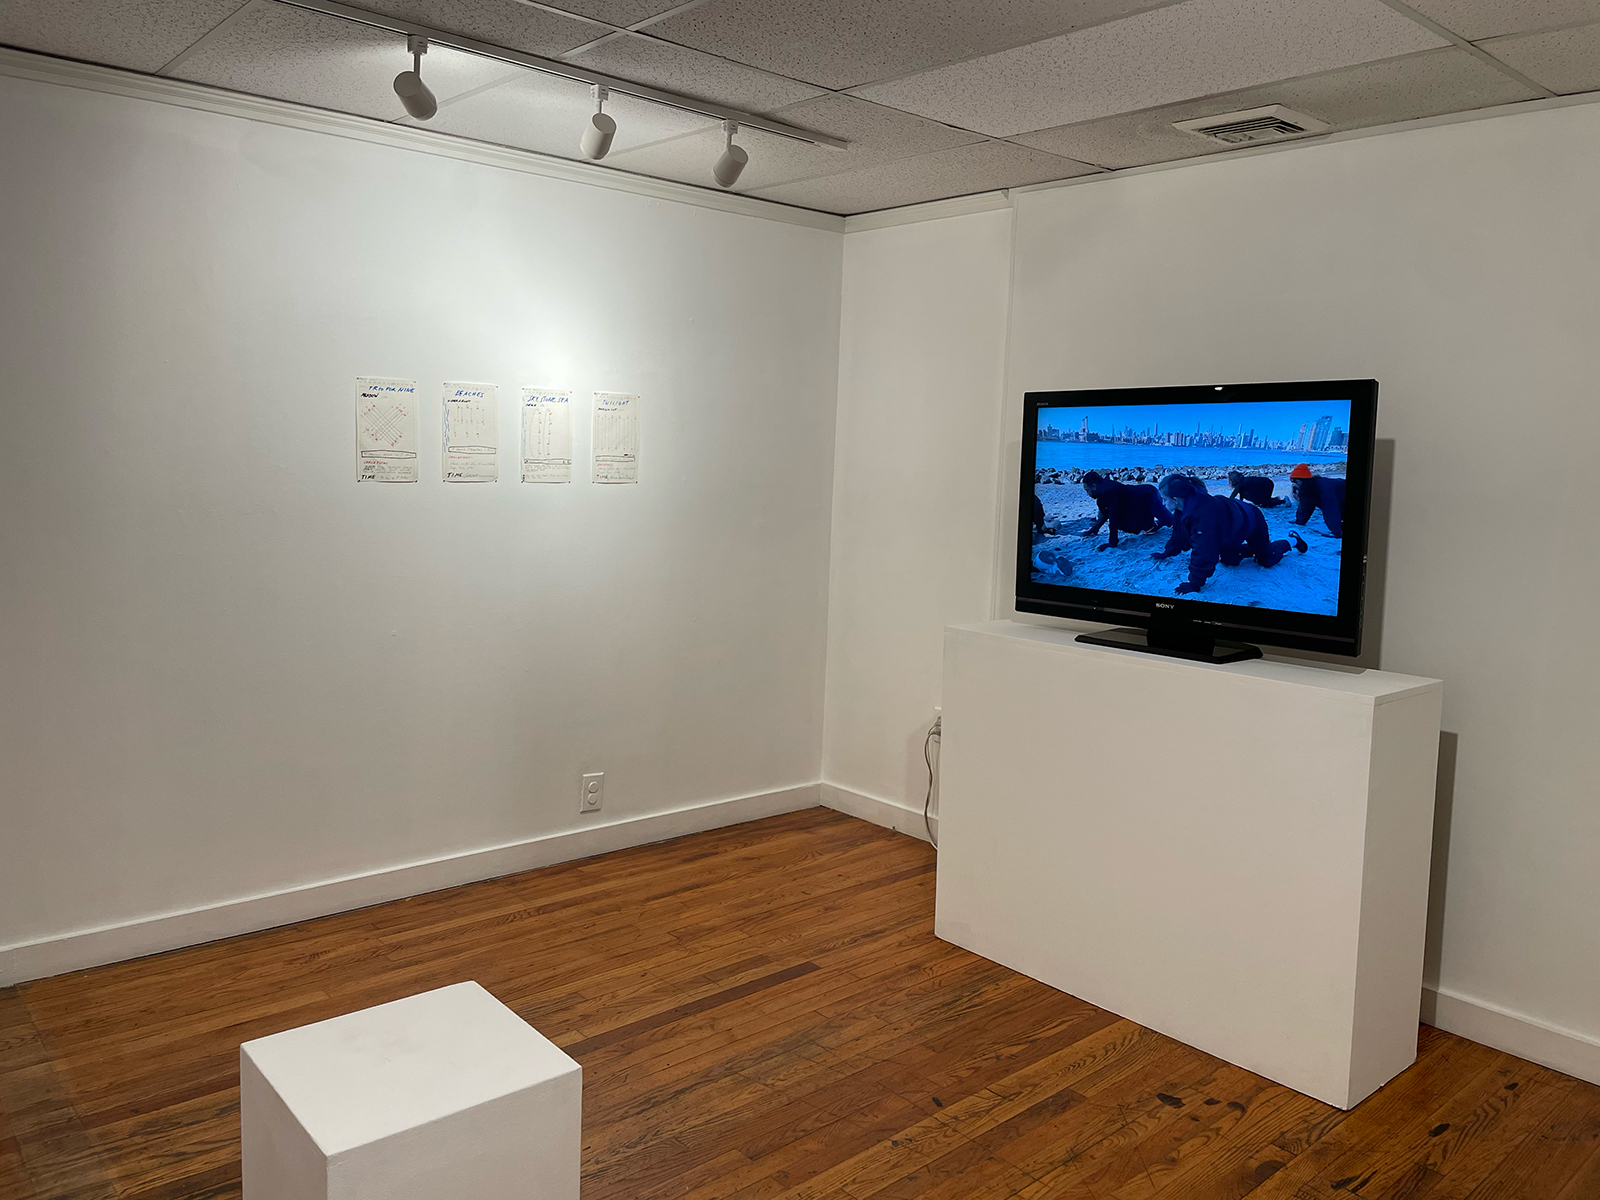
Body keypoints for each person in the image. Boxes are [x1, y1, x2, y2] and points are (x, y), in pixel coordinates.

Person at [1152, 474, 1305, 594]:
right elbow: (1180, 535)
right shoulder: (1182, 509)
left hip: (1252, 520)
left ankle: (1292, 540)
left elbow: (1204, 553)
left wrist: (1194, 583)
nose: (1163, 504)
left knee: (1266, 559)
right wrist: (1167, 552)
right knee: (1230, 560)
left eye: (1164, 499)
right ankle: (1254, 549)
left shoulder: (1203, 516)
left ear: (1175, 499)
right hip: (1229, 529)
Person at [1079, 470, 1172, 550]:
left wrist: (1112, 542)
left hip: (1149, 495)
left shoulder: (1109, 492)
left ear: (1094, 486)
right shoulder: (1103, 491)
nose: (1088, 493)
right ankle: (1159, 523)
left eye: (1087, 490)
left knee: (1171, 522)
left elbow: (1113, 519)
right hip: (1140, 500)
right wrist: (1094, 529)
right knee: (1149, 528)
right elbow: (1106, 514)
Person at [1289, 464, 1345, 537]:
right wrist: (1300, 521)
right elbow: (1306, 505)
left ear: (1303, 481)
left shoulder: (1325, 489)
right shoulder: (1309, 487)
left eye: (1296, 481)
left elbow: (1330, 510)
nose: (1295, 484)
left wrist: (1336, 532)